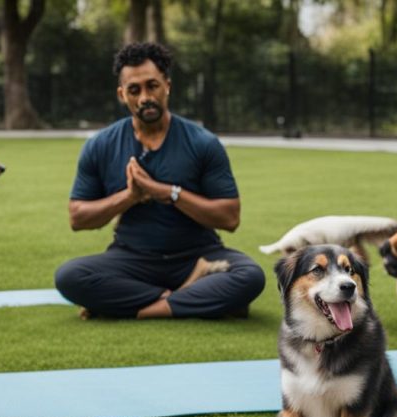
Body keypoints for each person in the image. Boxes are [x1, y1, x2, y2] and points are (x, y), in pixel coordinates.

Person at [55, 42, 265, 320]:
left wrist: (168, 192)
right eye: (134, 90)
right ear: (122, 95)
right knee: (69, 276)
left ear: (167, 85)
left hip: (198, 256)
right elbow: (78, 217)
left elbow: (230, 217)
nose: (145, 97)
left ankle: (143, 308)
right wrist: (130, 196)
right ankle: (190, 296)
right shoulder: (101, 145)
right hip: (131, 259)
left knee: (250, 276)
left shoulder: (202, 142)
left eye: (152, 86)